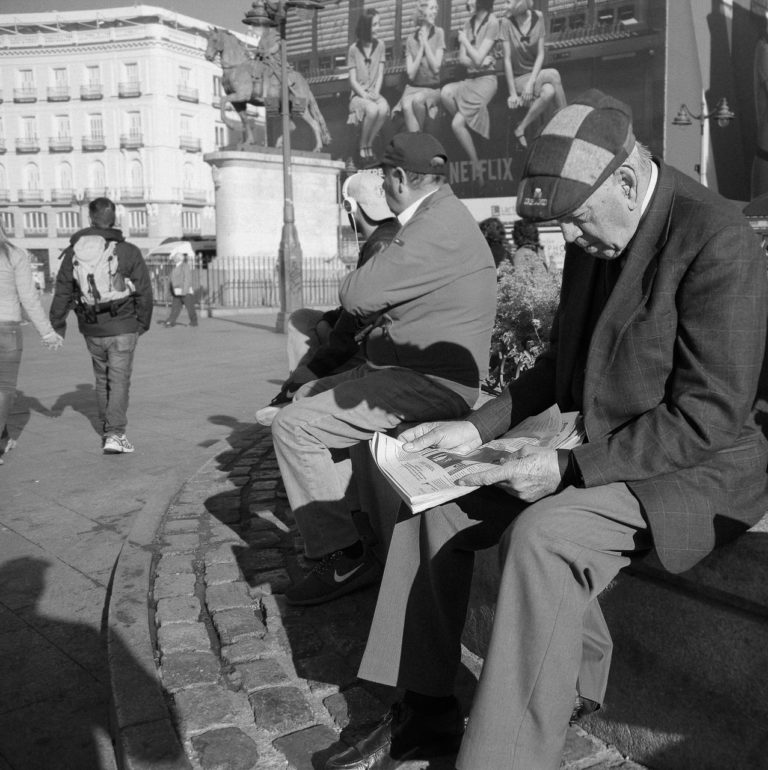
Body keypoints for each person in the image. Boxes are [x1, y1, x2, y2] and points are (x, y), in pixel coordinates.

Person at [324, 90, 768, 770]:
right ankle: (424, 712)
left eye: (581, 225)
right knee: (430, 508)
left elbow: (709, 415)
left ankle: (504, 757)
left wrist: (564, 469)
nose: (577, 243)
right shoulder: (596, 218)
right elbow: (560, 360)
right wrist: (477, 431)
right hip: (595, 440)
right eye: (566, 230)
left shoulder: (717, 238)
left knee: (545, 536)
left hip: (695, 465)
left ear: (624, 179)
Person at [271, 132, 497, 607]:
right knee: (303, 400)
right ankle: (351, 527)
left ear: (397, 177)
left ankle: (346, 556)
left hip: (433, 382)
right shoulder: (438, 217)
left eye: (382, 173)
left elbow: (355, 295)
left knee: (293, 427)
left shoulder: (435, 226)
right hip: (409, 370)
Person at [257, 170, 399, 424]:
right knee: (303, 318)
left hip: (371, 344)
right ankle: (300, 388)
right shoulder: (389, 236)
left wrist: (314, 368)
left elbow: (356, 319)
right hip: (371, 332)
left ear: (350, 206)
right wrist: (331, 318)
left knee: (305, 329)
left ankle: (299, 393)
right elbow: (355, 305)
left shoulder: (380, 245)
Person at [50, 197, 153, 454]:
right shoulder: (127, 250)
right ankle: (115, 435)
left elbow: (63, 289)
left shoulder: (75, 250)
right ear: (114, 218)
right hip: (123, 325)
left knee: (101, 379)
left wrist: (56, 323)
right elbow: (144, 291)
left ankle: (109, 430)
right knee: (118, 380)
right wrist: (142, 323)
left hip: (92, 327)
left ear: (90, 218)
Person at [0, 224, 63, 464]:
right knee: (4, 388)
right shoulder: (14, 254)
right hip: (7, 328)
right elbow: (28, 297)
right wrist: (47, 333)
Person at [440, 0, 500, 184]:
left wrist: (466, 42)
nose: (467, 2)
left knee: (457, 124)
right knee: (445, 93)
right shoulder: (468, 24)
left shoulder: (493, 22)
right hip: (471, 79)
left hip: (486, 80)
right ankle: (470, 125)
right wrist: (478, 60)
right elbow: (463, 59)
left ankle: (476, 167)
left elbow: (476, 57)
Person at [501, 0, 566, 148]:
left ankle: (520, 128)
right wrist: (512, 94)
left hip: (534, 76)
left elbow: (540, 55)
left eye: (508, 1)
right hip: (519, 80)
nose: (505, 5)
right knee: (554, 74)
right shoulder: (506, 23)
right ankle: (566, 122)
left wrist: (531, 82)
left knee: (549, 91)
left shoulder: (539, 17)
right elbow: (506, 61)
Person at [393, 0, 446, 132]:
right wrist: (421, 48)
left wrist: (426, 45)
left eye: (436, 8)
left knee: (417, 100)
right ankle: (418, 143)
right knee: (405, 105)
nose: (435, 11)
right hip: (413, 88)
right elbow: (411, 74)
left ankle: (420, 138)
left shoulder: (439, 33)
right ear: (422, 12)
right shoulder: (410, 39)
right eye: (432, 8)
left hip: (433, 89)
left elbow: (436, 68)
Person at [348, 8, 390, 162]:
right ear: (366, 27)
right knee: (372, 109)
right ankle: (362, 144)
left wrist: (376, 92)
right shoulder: (353, 49)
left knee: (383, 108)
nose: (378, 28)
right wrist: (364, 95)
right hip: (358, 95)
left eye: (379, 24)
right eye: (375, 25)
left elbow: (380, 73)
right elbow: (352, 80)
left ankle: (369, 143)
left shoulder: (381, 45)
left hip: (373, 92)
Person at [163, 244, 198, 328]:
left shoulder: (184, 266)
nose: (173, 259)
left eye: (175, 257)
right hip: (176, 291)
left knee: (190, 308)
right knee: (175, 308)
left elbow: (187, 278)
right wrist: (169, 291)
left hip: (184, 291)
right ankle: (171, 321)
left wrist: (184, 291)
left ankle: (194, 322)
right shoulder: (175, 267)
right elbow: (171, 280)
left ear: (178, 258)